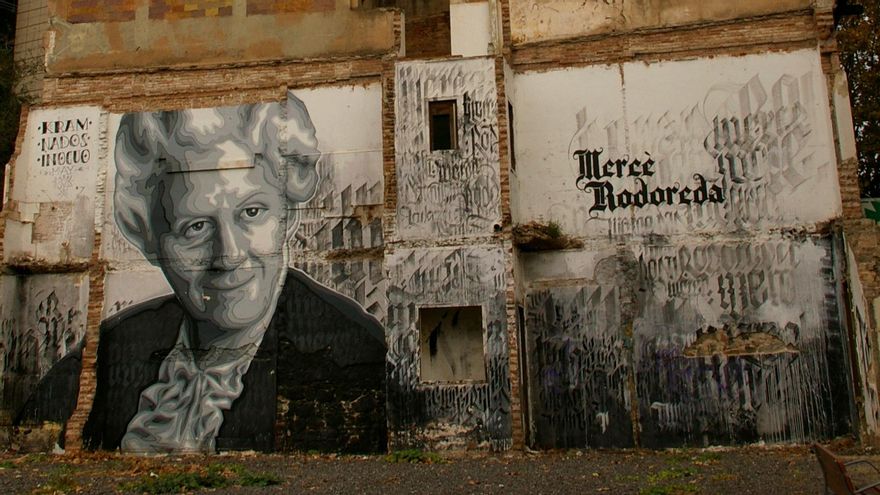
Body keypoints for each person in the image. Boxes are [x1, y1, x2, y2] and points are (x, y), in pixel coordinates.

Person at [18, 92, 387, 453]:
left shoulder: (352, 352)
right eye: (195, 227)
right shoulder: (105, 353)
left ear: (287, 216)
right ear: (149, 238)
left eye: (252, 213)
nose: (228, 255)